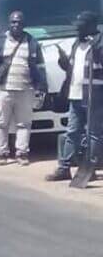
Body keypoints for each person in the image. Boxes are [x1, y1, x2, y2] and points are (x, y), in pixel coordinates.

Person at [0, 10, 46, 166]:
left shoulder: (32, 42)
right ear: (9, 24)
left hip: (25, 90)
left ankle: (22, 154)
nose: (16, 25)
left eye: (19, 22)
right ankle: (2, 154)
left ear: (24, 25)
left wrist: (41, 88)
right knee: (1, 124)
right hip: (2, 90)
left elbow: (40, 68)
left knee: (24, 124)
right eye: (13, 22)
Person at [47, 10, 103, 182]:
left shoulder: (99, 44)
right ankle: (64, 168)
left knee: (93, 133)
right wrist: (63, 62)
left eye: (81, 27)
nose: (77, 30)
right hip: (75, 95)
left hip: (95, 96)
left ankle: (89, 169)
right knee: (72, 132)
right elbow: (72, 69)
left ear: (91, 26)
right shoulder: (76, 44)